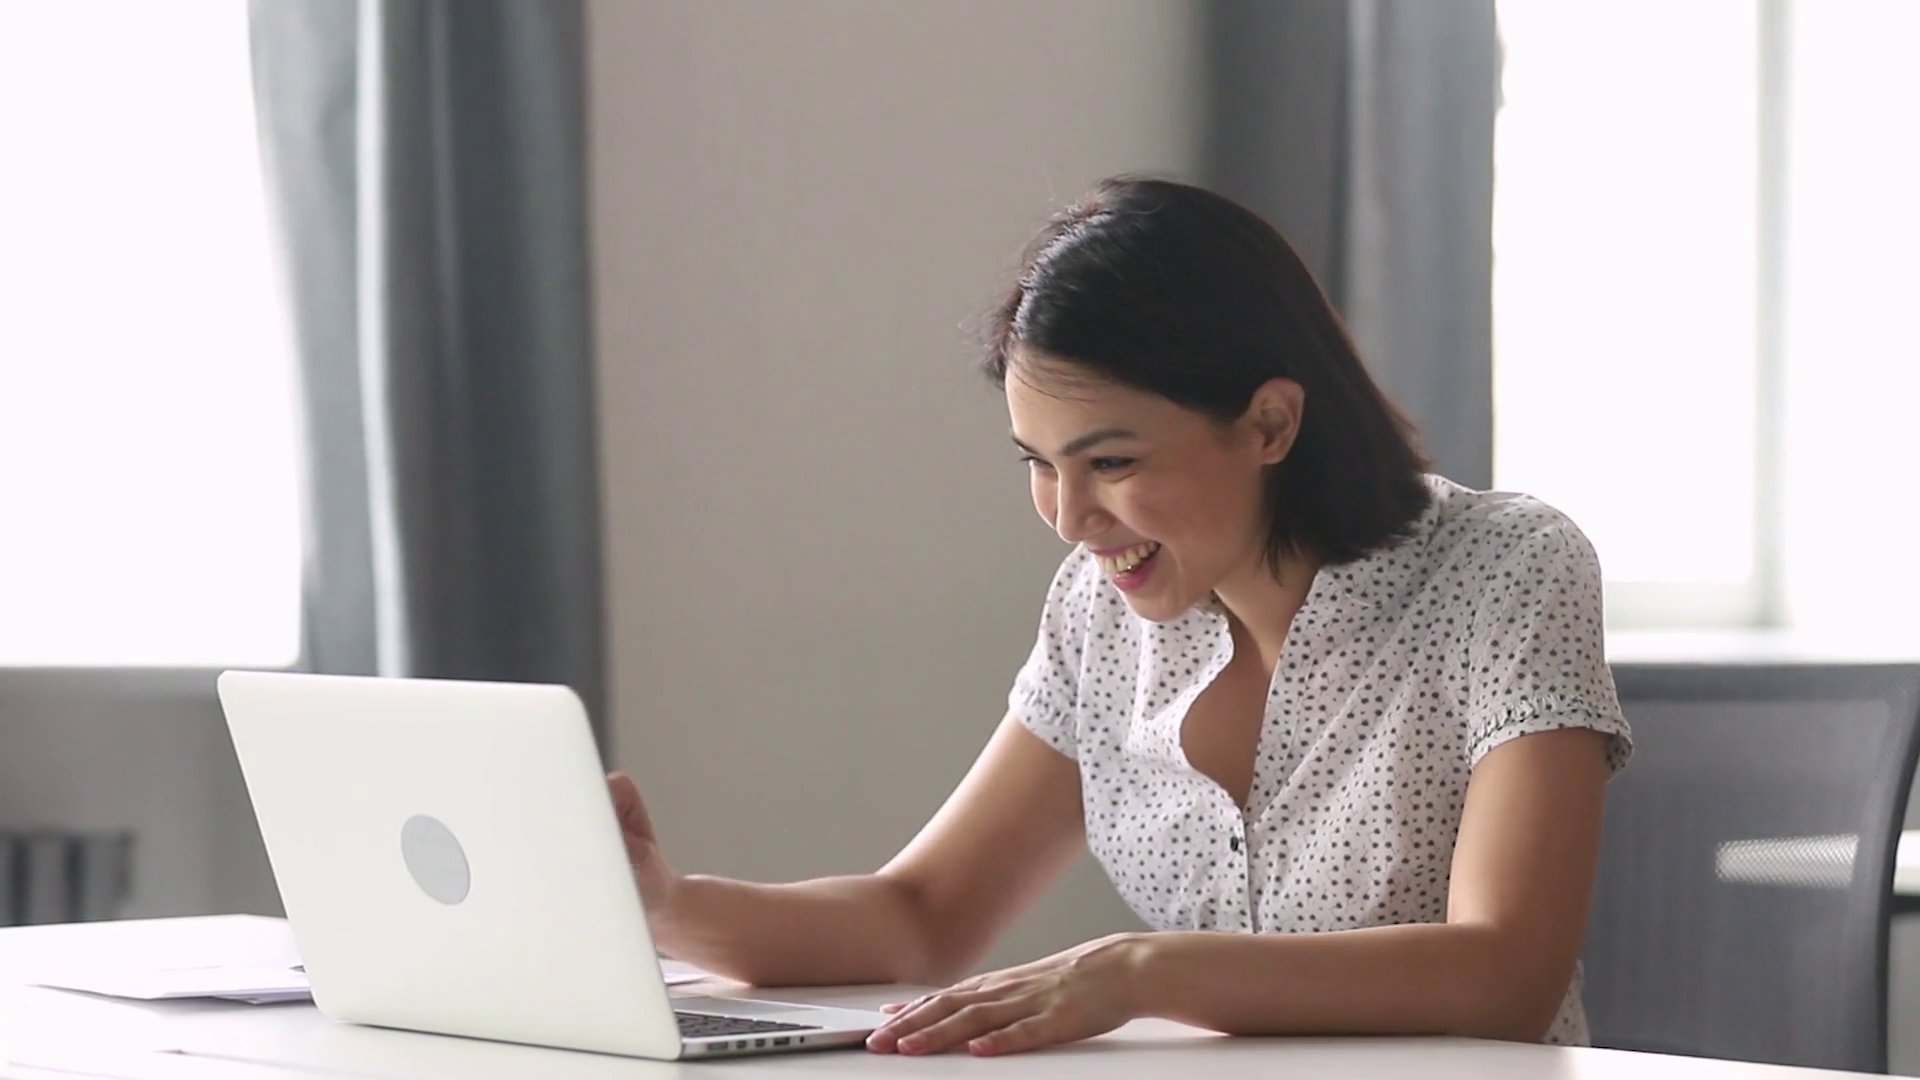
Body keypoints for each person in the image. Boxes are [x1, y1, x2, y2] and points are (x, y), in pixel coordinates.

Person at [607, 176, 1632, 1057]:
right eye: (1038, 466)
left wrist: (1140, 971)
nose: (1069, 518)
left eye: (1111, 462)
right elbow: (921, 916)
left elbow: (1505, 974)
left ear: (1270, 421)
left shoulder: (1506, 570)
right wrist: (664, 903)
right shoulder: (1103, 614)